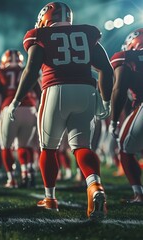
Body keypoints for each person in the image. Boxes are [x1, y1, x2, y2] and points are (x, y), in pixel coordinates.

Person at [8, 2, 113, 219]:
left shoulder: (39, 35)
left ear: (46, 18)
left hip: (56, 89)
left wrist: (17, 100)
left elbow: (31, 70)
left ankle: (50, 198)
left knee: (49, 148)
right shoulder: (87, 33)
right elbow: (106, 70)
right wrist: (106, 100)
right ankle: (95, 186)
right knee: (82, 146)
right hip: (86, 90)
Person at [0, 49, 39, 188]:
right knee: (24, 145)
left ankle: (11, 179)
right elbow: (39, 92)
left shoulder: (0, 72)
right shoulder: (26, 70)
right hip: (30, 109)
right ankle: (27, 172)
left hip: (10, 108)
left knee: (6, 146)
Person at [109, 28, 143, 203]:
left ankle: (139, 194)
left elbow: (119, 89)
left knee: (124, 147)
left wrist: (113, 120)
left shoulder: (126, 56)